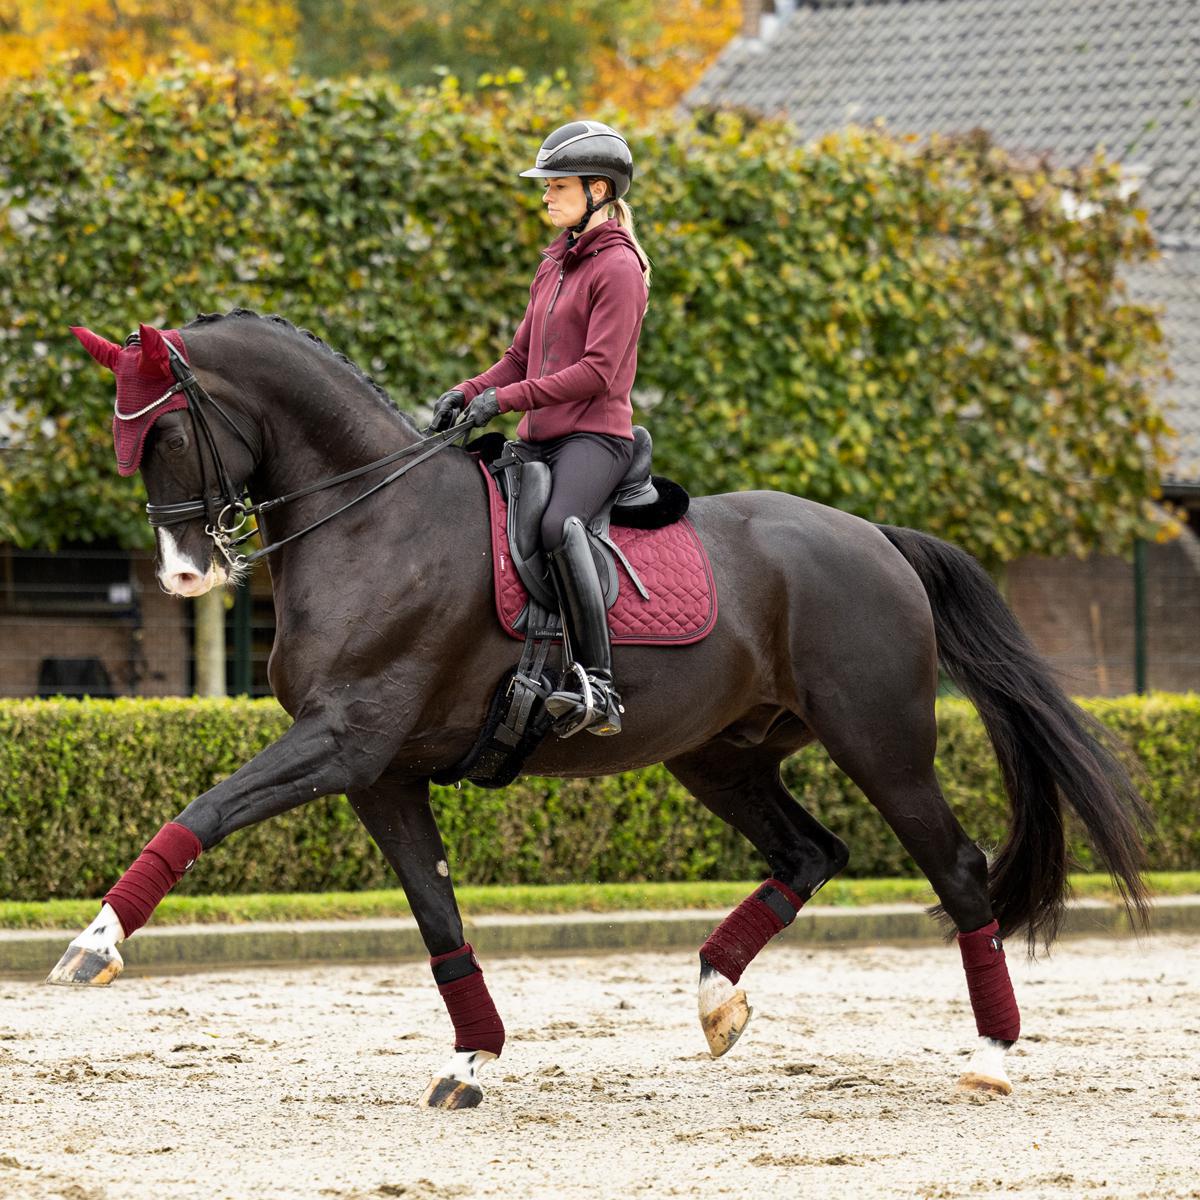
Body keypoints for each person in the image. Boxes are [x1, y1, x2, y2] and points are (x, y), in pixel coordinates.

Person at [429, 120, 652, 737]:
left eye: (557, 185)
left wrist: (506, 398)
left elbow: (597, 372)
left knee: (559, 525)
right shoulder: (555, 262)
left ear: (599, 191)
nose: (545, 196)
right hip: (540, 438)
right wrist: (470, 390)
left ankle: (599, 684)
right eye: (545, 185)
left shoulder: (618, 269)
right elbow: (519, 358)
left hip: (595, 439)